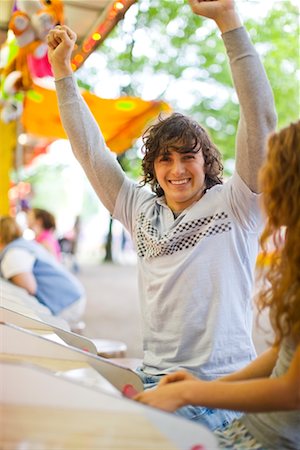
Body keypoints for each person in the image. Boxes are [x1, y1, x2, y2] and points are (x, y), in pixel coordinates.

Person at [47, 0, 277, 429]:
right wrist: (63, 73)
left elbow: (260, 119)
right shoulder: (138, 207)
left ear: (206, 161)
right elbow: (90, 151)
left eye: (188, 157)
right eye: (164, 159)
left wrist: (229, 21)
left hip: (222, 387)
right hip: (156, 379)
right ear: (152, 167)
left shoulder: (238, 202)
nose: (176, 170)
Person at [134, 121, 300, 449]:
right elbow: (283, 352)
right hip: (249, 430)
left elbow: (293, 390)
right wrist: (207, 387)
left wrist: (191, 392)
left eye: (269, 175)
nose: (259, 186)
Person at [0, 216, 86, 329]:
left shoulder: (13, 255)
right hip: (72, 295)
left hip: (67, 303)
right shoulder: (22, 245)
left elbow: (30, 288)